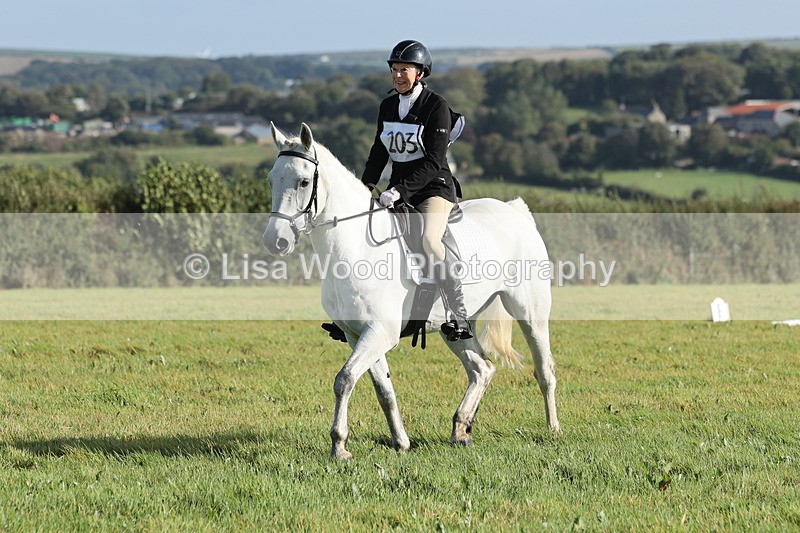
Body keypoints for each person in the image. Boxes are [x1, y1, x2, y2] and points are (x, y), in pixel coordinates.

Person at [361, 39, 472, 341]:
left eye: (404, 70)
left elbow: (435, 161)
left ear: (420, 73)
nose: (398, 76)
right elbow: (379, 152)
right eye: (394, 70)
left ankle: (459, 316)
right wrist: (366, 185)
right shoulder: (387, 106)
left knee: (429, 240)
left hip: (434, 188)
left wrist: (398, 191)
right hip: (398, 189)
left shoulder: (437, 107)